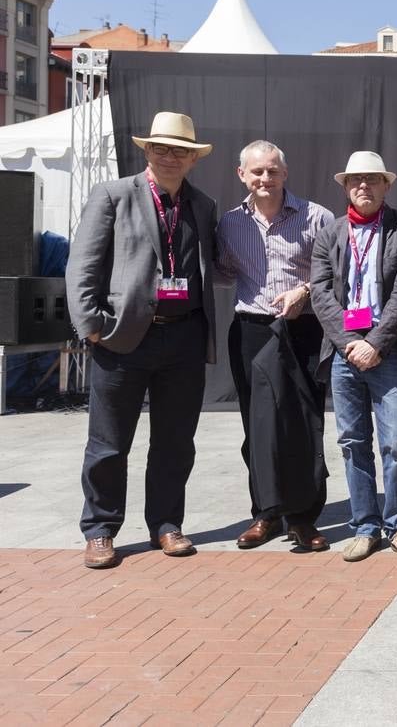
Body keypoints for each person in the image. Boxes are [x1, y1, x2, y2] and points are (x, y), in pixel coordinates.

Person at [67, 112, 218, 569]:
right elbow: (83, 266)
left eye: (180, 150)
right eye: (161, 148)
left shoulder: (204, 205)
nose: (170, 156)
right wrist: (91, 325)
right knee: (108, 443)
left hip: (184, 340)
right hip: (122, 339)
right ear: (146, 151)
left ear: (193, 159)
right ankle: (100, 528)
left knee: (175, 442)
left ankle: (167, 525)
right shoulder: (113, 195)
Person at [311, 151, 397, 564]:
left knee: (396, 442)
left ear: (386, 185)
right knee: (351, 442)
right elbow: (321, 293)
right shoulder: (329, 233)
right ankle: (365, 526)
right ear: (346, 186)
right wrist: (349, 342)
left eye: (373, 179)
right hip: (345, 351)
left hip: (389, 349)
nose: (364, 186)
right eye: (356, 180)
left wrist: (375, 343)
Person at [215, 140, 333, 553]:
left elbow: (332, 274)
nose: (265, 179)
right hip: (252, 330)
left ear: (285, 173)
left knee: (303, 424)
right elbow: (225, 272)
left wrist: (303, 292)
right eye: (257, 172)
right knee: (258, 427)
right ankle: (265, 513)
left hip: (304, 328)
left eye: (273, 171)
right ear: (242, 175)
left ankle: (303, 519)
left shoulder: (316, 217)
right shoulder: (230, 223)